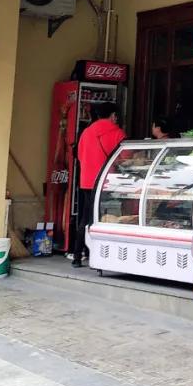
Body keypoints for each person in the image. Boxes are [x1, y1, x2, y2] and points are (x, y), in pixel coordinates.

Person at [73, 102, 125, 267]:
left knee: (86, 218)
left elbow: (79, 156)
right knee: (106, 218)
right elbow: (125, 157)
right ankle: (103, 256)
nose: (116, 118)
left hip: (86, 181)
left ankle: (77, 255)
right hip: (106, 182)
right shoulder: (117, 133)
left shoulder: (86, 132)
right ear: (113, 115)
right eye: (115, 115)